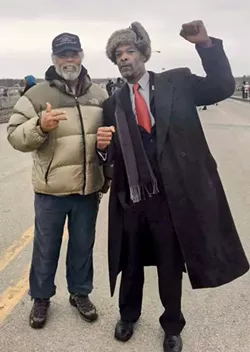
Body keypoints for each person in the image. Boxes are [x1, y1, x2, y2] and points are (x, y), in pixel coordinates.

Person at [96, 21, 249, 352]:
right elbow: (109, 157)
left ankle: (172, 325)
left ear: (144, 54)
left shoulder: (177, 82)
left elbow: (222, 86)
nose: (124, 59)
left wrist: (206, 44)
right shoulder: (113, 104)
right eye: (118, 54)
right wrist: (102, 147)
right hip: (132, 198)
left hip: (173, 196)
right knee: (131, 261)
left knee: (169, 262)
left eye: (130, 51)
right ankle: (128, 316)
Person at [7, 32, 111, 329]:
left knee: (82, 245)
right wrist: (39, 126)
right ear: (54, 59)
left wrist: (108, 151)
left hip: (88, 188)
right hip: (51, 190)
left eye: (74, 54)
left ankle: (79, 293)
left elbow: (113, 135)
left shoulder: (99, 95)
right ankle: (41, 298)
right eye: (63, 54)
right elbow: (14, 136)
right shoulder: (37, 95)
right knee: (46, 247)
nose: (69, 60)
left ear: (81, 56)